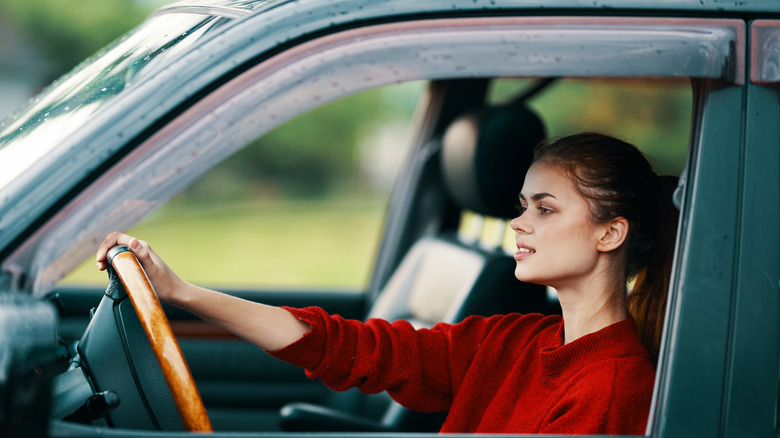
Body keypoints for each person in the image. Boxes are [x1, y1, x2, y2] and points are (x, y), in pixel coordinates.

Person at [96, 132, 678, 435]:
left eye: (545, 209)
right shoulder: (514, 341)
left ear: (610, 234)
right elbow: (351, 349)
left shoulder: (615, 389)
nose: (519, 222)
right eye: (522, 205)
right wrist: (180, 292)